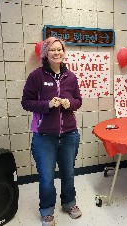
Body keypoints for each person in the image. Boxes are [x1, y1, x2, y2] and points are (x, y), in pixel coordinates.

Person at [21, 37, 82, 226]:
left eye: (60, 49)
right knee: (47, 177)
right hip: (44, 136)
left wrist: (69, 103)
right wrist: (47, 104)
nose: (57, 53)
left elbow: (78, 101)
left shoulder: (70, 77)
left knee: (69, 172)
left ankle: (69, 203)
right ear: (45, 54)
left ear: (64, 52)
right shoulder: (36, 76)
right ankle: (47, 211)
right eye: (53, 50)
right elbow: (26, 102)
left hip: (69, 134)